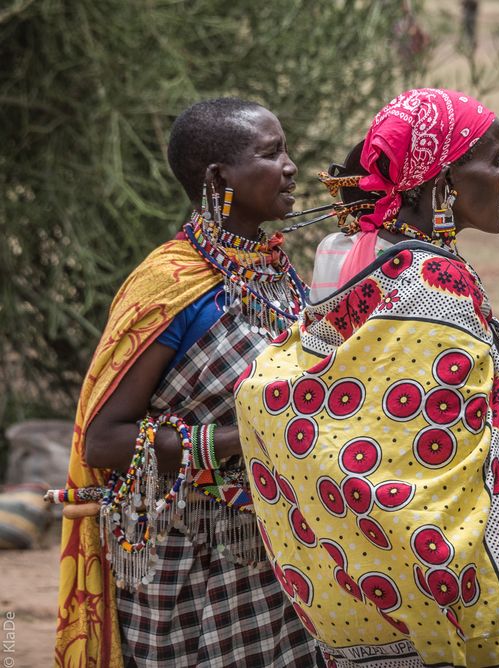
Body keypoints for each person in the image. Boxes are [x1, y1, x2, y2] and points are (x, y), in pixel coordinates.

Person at [235, 88, 499, 668]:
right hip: (449, 571)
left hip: (367, 573)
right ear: (441, 180)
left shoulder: (348, 249)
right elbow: (454, 456)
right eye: (493, 160)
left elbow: (343, 409)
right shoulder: (436, 276)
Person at [54, 97, 317, 667]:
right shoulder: (170, 287)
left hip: (279, 543)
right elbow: (102, 439)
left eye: (287, 150)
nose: (291, 166)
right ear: (219, 177)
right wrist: (239, 441)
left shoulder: (280, 275)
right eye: (272, 154)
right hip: (188, 560)